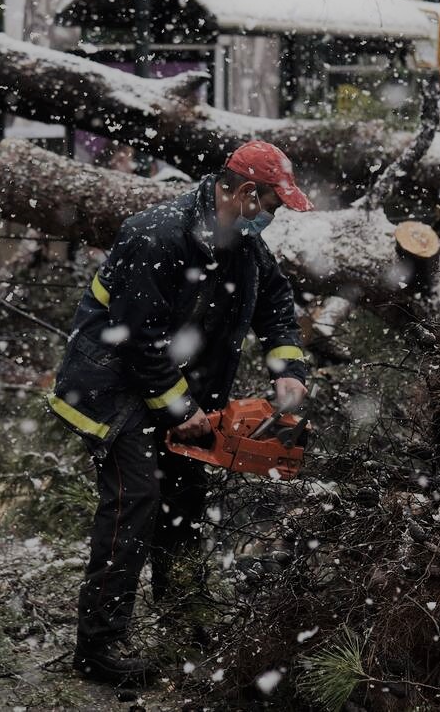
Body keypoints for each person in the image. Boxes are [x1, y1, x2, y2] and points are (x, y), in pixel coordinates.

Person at [47, 140, 314, 685]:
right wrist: (181, 409)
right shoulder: (159, 234)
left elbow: (277, 301)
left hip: (176, 389)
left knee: (185, 498)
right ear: (244, 193)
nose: (272, 218)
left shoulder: (242, 243)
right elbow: (139, 339)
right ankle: (98, 647)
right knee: (136, 501)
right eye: (272, 206)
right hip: (112, 384)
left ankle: (184, 618)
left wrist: (288, 368)